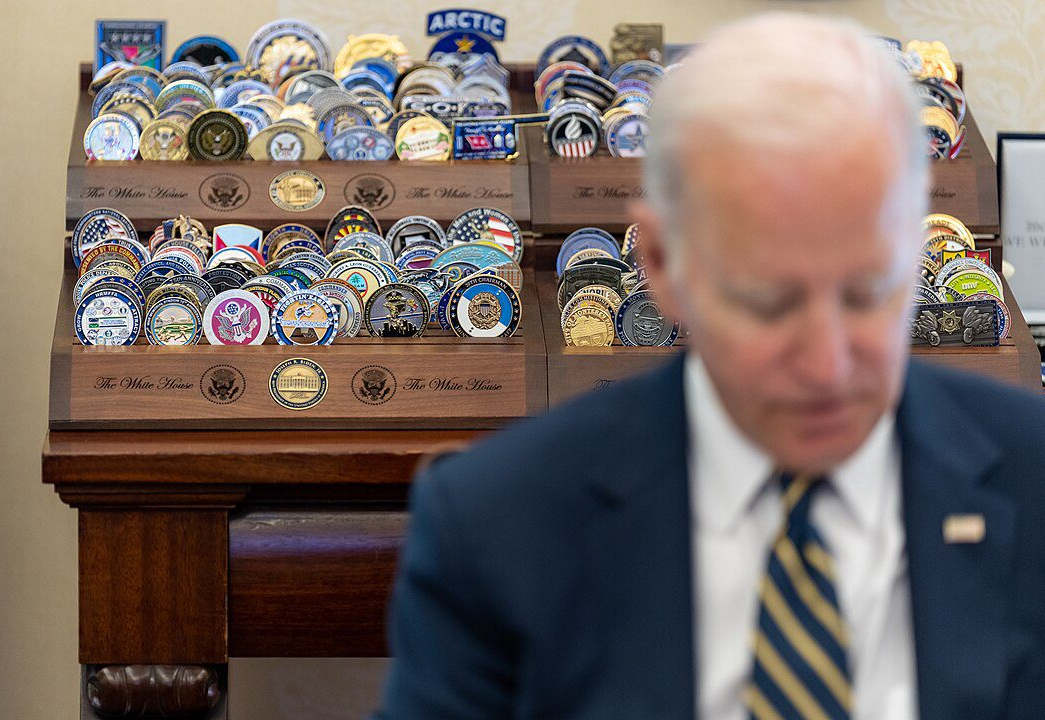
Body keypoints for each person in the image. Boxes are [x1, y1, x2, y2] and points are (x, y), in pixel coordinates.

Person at [374, 13, 1045, 720]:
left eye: (868, 291)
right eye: (766, 301)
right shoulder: (497, 526)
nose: (827, 363)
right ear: (662, 264)